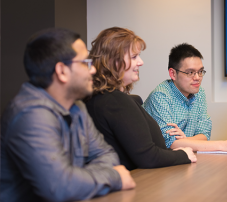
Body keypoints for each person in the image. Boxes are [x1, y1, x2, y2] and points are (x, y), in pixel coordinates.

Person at [0, 28, 135, 202]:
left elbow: (107, 155)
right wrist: (114, 177)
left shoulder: (77, 106)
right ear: (62, 71)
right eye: (85, 63)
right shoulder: (31, 115)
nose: (93, 70)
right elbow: (60, 187)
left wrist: (76, 179)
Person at [85, 27, 197, 171]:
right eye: (134, 57)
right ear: (113, 61)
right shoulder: (114, 101)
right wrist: (183, 155)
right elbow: (148, 157)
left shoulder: (106, 98)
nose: (141, 62)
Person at [143, 43, 227, 151]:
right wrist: (223, 145)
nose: (197, 78)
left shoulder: (199, 93)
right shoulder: (160, 96)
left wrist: (185, 141)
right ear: (173, 73)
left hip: (186, 158)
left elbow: (204, 134)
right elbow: (170, 143)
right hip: (158, 162)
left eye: (200, 72)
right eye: (190, 72)